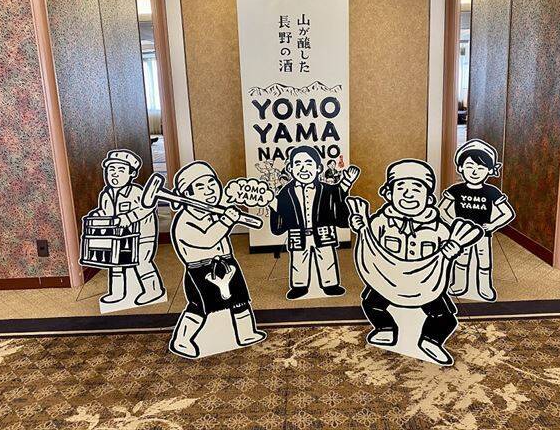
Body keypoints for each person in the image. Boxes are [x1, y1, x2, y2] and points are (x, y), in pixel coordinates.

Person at [349, 159, 461, 365]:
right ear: (389, 194)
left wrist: (451, 250)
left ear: (429, 198)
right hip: (387, 280)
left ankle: (431, 340)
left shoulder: (439, 229)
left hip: (425, 284)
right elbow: (369, 241)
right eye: (401, 188)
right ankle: (385, 328)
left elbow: (447, 253)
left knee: (446, 317)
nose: (408, 194)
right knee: (371, 303)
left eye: (417, 189)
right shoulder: (380, 222)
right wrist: (360, 226)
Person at [169, 161, 266, 359]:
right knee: (200, 306)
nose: (209, 190)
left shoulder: (215, 210)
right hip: (201, 270)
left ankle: (246, 333)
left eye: (212, 183)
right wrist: (227, 220)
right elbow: (207, 239)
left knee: (240, 301)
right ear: (187, 194)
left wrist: (229, 210)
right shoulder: (184, 221)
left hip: (227, 263)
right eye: (200, 186)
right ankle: (182, 340)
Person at [270, 146, 359, 299]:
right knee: (299, 260)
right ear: (290, 168)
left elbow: (337, 193)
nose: (303, 168)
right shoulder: (286, 192)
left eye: (308, 163)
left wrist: (347, 181)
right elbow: (280, 208)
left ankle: (330, 284)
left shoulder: (326, 189)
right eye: (298, 164)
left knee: (326, 257)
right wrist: (272, 204)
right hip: (297, 233)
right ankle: (299, 286)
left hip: (323, 231)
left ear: (318, 168)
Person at [439, 139, 515, 301]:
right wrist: (453, 222)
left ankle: (484, 287)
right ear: (460, 168)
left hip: (483, 234)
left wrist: (493, 225)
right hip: (461, 234)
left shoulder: (492, 192)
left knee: (484, 262)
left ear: (489, 170)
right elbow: (442, 209)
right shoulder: (456, 190)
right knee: (461, 259)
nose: (474, 171)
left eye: (481, 168)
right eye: (469, 166)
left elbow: (507, 213)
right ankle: (459, 284)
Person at [91, 149, 165, 306]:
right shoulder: (106, 194)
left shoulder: (136, 192)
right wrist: (98, 215)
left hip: (142, 236)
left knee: (142, 262)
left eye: (121, 170)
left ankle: (153, 290)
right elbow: (106, 212)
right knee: (115, 263)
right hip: (119, 237)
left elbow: (146, 208)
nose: (115, 174)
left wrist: (128, 218)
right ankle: (117, 293)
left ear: (132, 173)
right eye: (111, 169)